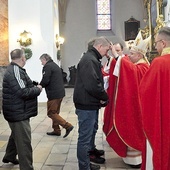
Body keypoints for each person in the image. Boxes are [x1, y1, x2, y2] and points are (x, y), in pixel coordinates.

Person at [103, 31, 151, 169]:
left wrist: (117, 56)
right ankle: (132, 158)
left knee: (135, 130)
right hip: (135, 104)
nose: (129, 56)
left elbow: (130, 72)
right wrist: (114, 59)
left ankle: (136, 160)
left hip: (139, 107)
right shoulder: (137, 66)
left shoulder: (143, 67)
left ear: (140, 55)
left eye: (132, 54)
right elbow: (127, 71)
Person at [2, 49, 42, 170]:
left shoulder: (15, 69)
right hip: (17, 112)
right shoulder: (15, 70)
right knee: (24, 142)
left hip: (17, 110)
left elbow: (22, 85)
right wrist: (38, 89)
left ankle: (10, 156)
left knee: (16, 135)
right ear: (23, 58)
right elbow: (23, 92)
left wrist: (32, 85)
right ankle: (27, 167)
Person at [73, 36, 109, 170]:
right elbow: (92, 84)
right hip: (86, 105)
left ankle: (87, 163)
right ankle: (84, 167)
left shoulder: (91, 58)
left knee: (89, 135)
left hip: (89, 103)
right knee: (84, 138)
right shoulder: (89, 60)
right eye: (106, 50)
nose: (107, 53)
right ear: (99, 46)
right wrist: (104, 96)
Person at [139, 26, 170, 170]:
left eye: (156, 42)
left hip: (165, 119)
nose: (155, 46)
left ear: (163, 43)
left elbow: (145, 92)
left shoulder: (159, 63)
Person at [39, 54, 74, 138]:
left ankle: (67, 126)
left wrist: (40, 86)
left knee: (51, 113)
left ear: (45, 59)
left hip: (53, 94)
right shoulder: (55, 65)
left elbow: (46, 79)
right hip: (60, 92)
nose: (41, 63)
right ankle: (56, 130)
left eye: (42, 61)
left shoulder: (47, 67)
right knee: (55, 112)